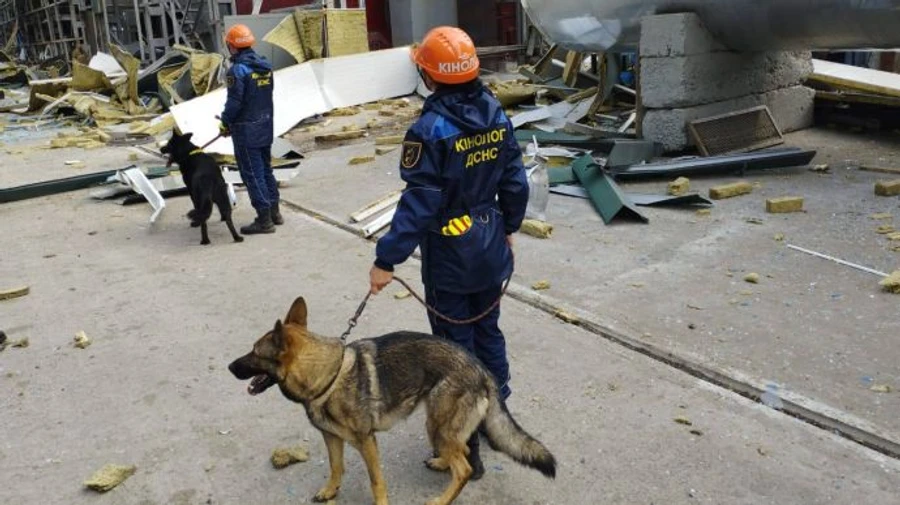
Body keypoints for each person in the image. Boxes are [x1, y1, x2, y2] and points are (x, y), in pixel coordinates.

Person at [368, 26, 529, 480]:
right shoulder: (496, 111)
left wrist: (386, 260)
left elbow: (419, 204)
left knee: (455, 354)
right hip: (489, 242)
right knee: (489, 335)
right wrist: (509, 227)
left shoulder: (430, 129)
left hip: (450, 256)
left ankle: (468, 452)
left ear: (429, 73)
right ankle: (497, 420)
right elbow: (514, 181)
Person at [220, 24, 282, 235]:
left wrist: (225, 122)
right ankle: (275, 212)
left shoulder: (238, 71)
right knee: (266, 170)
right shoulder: (265, 66)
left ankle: (264, 221)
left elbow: (235, 102)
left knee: (253, 174)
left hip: (247, 131)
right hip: (265, 125)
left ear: (232, 46)